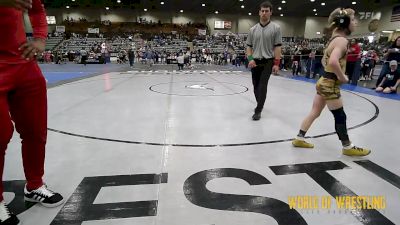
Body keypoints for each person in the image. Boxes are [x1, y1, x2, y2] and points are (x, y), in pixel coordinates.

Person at [0, 0, 65, 224]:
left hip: (22, 61)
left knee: (35, 129)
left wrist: (39, 38)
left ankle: (35, 185)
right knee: (0, 132)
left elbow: (37, 8)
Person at [292, 8, 371, 157]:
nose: (355, 23)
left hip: (323, 80)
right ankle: (347, 146)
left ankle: (299, 138)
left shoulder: (333, 39)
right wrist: (342, 77)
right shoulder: (342, 40)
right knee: (340, 116)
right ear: (345, 23)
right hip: (330, 84)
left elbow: (324, 61)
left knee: (315, 112)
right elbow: (333, 61)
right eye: (353, 20)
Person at [246, 1, 282, 120]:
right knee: (255, 86)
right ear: (259, 12)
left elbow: (277, 47)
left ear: (271, 12)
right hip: (255, 61)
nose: (264, 13)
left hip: (268, 60)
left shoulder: (276, 28)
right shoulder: (252, 30)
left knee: (262, 84)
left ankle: (258, 110)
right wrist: (250, 59)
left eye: (267, 11)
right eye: (262, 11)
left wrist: (276, 64)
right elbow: (249, 47)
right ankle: (259, 103)